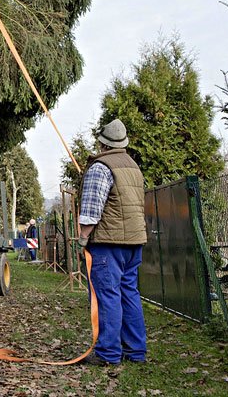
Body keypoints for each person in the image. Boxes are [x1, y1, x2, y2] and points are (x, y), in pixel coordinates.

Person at [78, 119, 147, 366]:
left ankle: (108, 354)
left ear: (102, 143)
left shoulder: (100, 167)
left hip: (108, 242)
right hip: (134, 242)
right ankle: (136, 352)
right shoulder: (133, 167)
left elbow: (91, 210)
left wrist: (83, 238)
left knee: (107, 295)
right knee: (129, 293)